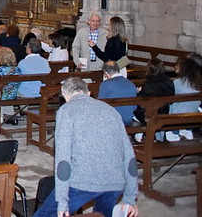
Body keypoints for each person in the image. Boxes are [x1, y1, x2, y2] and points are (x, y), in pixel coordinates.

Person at [34, 77, 138, 217]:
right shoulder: (110, 110)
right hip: (115, 181)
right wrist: (130, 197)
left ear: (65, 95)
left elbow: (63, 160)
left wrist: (62, 201)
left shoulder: (66, 110)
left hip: (81, 182)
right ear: (88, 93)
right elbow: (129, 157)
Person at [166, 53, 202, 141]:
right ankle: (186, 130)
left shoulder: (177, 83)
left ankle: (174, 133)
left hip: (174, 119)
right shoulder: (199, 84)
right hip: (191, 118)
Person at [98, 61, 137, 126]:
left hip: (113, 120)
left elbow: (101, 104)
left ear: (106, 74)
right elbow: (134, 107)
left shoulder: (105, 84)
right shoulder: (131, 83)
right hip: (128, 119)